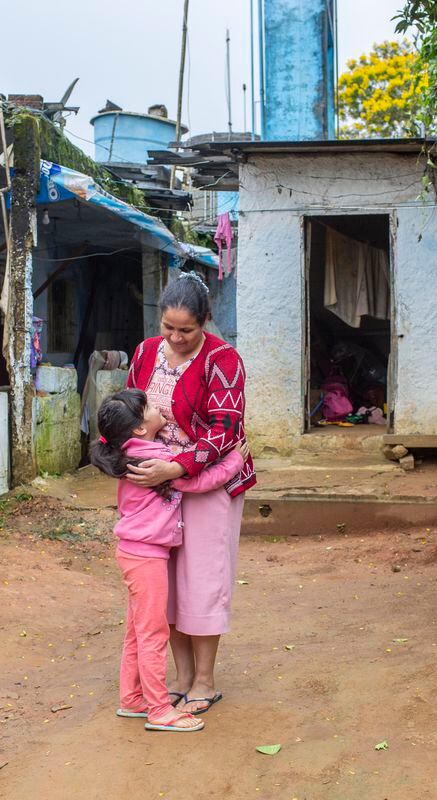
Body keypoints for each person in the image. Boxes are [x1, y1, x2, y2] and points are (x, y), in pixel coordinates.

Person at [124, 271, 256, 716]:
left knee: (203, 579)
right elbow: (128, 411)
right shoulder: (144, 352)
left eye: (187, 330)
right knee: (168, 586)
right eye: (169, 328)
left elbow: (225, 431)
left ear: (206, 322)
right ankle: (179, 678)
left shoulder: (225, 360)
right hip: (156, 488)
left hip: (208, 482)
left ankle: (204, 680)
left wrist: (176, 465)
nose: (176, 338)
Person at [90, 389, 248, 733]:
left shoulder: (131, 451)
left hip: (135, 553)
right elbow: (202, 480)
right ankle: (160, 710)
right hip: (146, 556)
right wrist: (236, 459)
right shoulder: (156, 459)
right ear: (139, 428)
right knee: (152, 633)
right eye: (149, 406)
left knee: (137, 631)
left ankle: (132, 699)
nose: (158, 406)